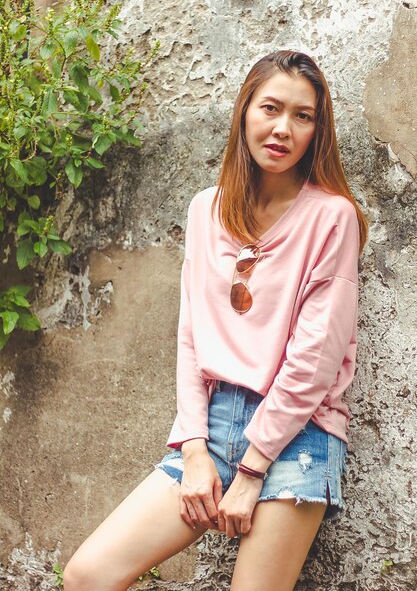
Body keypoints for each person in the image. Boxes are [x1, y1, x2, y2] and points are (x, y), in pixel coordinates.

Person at [63, 50, 367, 591]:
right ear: (244, 112)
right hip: (211, 425)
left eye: (304, 116)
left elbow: (315, 360)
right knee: (88, 575)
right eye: (270, 108)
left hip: (297, 434)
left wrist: (250, 471)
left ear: (318, 130)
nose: (282, 128)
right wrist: (195, 449)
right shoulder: (206, 209)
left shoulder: (332, 217)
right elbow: (191, 338)